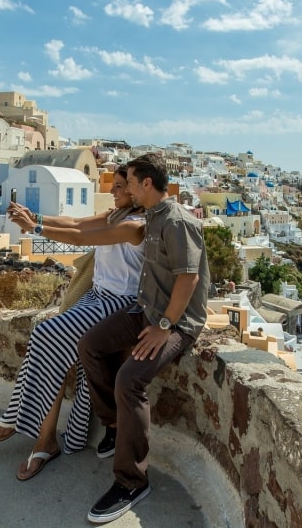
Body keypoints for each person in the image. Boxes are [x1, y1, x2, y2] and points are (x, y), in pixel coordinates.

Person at [0, 167, 146, 482]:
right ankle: (45, 440)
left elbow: (81, 236)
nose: (113, 192)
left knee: (46, 333)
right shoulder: (116, 215)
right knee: (51, 345)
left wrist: (35, 227)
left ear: (137, 190)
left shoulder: (136, 224)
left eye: (121, 187)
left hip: (119, 305)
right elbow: (75, 222)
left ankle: (23, 424)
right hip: (96, 297)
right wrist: (37, 217)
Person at [78, 153, 210, 524]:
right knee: (91, 345)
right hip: (146, 310)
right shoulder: (151, 217)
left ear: (147, 184)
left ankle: (132, 481)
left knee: (130, 379)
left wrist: (165, 326)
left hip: (177, 322)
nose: (127, 187)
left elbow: (189, 279)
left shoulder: (178, 221)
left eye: (131, 182)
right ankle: (116, 425)